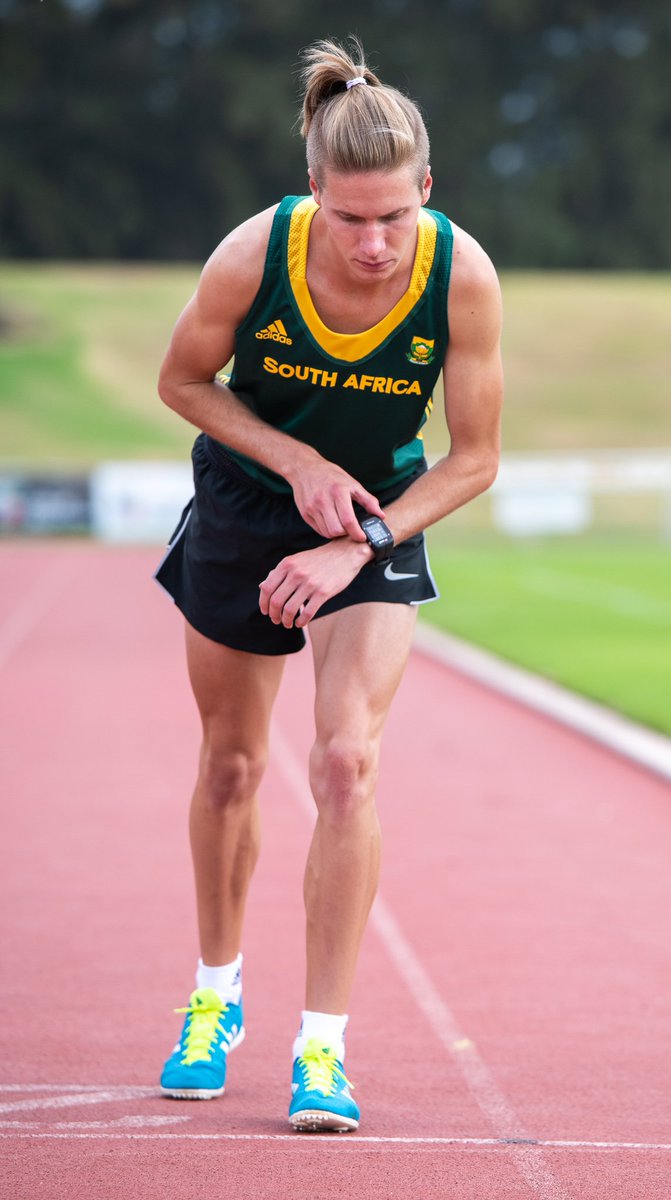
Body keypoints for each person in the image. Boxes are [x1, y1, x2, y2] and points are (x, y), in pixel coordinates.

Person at [154, 37, 502, 1132]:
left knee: (347, 762)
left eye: (393, 215)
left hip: (375, 516)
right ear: (312, 192)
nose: (374, 242)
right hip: (247, 504)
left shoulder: (461, 275)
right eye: (349, 218)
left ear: (427, 188)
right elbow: (182, 382)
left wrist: (360, 541)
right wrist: (298, 463)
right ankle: (214, 996)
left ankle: (323, 1048)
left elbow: (475, 459)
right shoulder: (253, 255)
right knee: (232, 765)